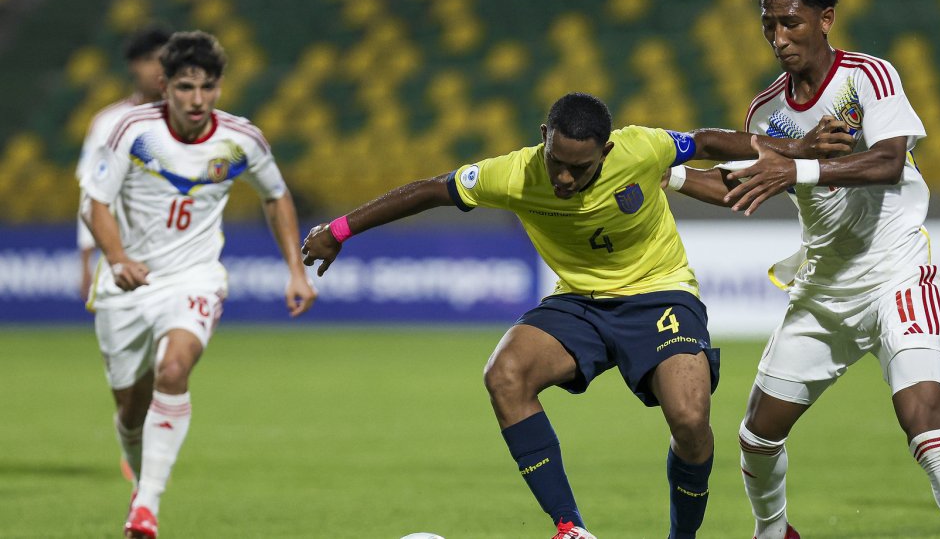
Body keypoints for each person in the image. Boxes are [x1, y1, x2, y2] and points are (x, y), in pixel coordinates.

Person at [301, 92, 830, 539]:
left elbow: (710, 142)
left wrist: (793, 151)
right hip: (578, 301)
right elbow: (428, 191)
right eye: (556, 161)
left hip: (661, 294)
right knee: (504, 374)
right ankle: (570, 528)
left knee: (690, 418)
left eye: (580, 168)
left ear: (607, 149)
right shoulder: (513, 173)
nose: (564, 178)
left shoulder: (642, 147)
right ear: (544, 137)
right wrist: (340, 230)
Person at [667, 0, 940, 538]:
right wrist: (667, 175)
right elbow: (742, 185)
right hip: (823, 289)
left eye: (791, 21)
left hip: (896, 274)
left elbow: (890, 161)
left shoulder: (866, 77)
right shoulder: (766, 112)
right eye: (768, 23)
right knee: (756, 437)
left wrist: (800, 171)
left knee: (923, 419)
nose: (779, 37)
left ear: (825, 18)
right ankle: (774, 532)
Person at [80, 31, 318, 539]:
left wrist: (295, 270)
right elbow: (94, 202)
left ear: (219, 87)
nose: (197, 99)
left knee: (174, 367)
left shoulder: (242, 139)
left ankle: (145, 508)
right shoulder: (130, 131)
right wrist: (117, 258)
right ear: (165, 86)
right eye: (186, 87)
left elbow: (276, 196)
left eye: (207, 87)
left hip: (194, 276)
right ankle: (140, 481)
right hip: (126, 284)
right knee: (129, 409)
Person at [76, 25, 173, 301]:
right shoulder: (107, 123)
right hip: (124, 254)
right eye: (150, 59)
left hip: (176, 255)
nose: (159, 68)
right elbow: (90, 195)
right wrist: (86, 260)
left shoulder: (191, 122)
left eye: (166, 60)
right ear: (133, 66)